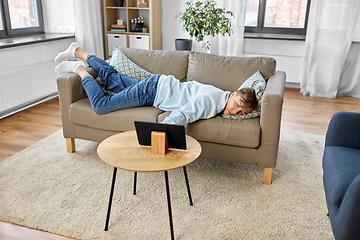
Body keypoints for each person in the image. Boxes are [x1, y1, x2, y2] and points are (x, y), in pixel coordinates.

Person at [55, 42, 258, 127]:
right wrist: (161, 130)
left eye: (241, 112)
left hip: (157, 84)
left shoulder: (220, 95)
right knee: (101, 105)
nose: (236, 112)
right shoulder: (214, 101)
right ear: (233, 94)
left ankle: (78, 51)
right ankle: (80, 71)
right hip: (152, 92)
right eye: (238, 104)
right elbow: (185, 114)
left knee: (112, 80)